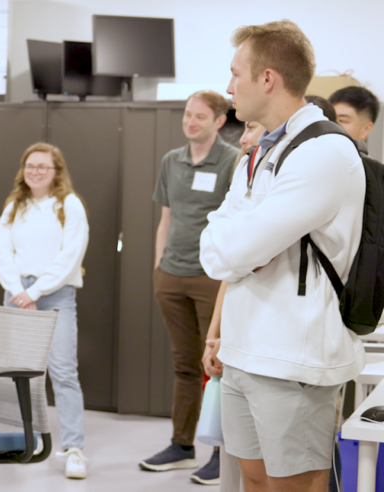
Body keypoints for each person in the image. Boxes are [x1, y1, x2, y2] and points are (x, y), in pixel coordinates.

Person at [201, 20, 364, 492]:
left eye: (236, 74)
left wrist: (238, 244)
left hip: (292, 358)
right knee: (252, 479)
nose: (228, 87)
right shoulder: (260, 151)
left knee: (295, 483)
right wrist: (237, 245)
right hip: (243, 350)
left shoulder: (324, 151)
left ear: (267, 78)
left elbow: (238, 245)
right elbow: (217, 250)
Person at [141, 90, 239, 486]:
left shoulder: (233, 160)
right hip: (171, 275)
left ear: (218, 121)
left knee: (216, 366)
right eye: (187, 114)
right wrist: (158, 267)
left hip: (211, 279)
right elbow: (166, 218)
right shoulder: (171, 161)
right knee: (184, 365)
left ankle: (221, 453)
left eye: (200, 116)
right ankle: (182, 446)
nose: (191, 122)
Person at [0, 142, 89, 479]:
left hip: (55, 295)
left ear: (56, 172)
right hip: (17, 294)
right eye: (30, 166)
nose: (35, 171)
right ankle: (24, 441)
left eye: (42, 167)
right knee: (19, 373)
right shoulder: (13, 207)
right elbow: (2, 253)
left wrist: (34, 292)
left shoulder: (70, 205)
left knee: (63, 372)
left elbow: (70, 256)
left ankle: (74, 448)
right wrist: (19, 292)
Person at [330, 85, 379, 153]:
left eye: (341, 120)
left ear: (365, 130)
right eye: (330, 118)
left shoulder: (367, 163)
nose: (331, 124)